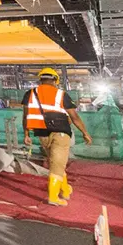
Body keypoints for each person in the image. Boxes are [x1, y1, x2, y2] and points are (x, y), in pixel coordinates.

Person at [22, 67, 93, 206]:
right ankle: (53, 197)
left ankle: (65, 190)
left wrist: (26, 134)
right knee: (57, 164)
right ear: (55, 80)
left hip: (41, 132)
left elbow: (26, 116)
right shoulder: (61, 94)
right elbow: (74, 117)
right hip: (60, 131)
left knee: (56, 163)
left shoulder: (30, 94)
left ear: (41, 80)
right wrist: (85, 133)